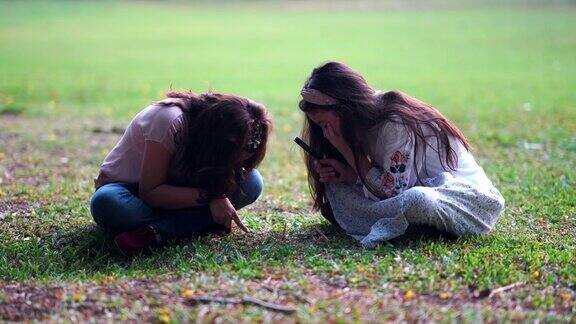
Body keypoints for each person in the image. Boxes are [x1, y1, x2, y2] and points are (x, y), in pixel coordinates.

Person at [298, 61, 505, 247]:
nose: (326, 135)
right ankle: (399, 227)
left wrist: (346, 150)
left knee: (417, 199)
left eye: (325, 125)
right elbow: (389, 182)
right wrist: (348, 174)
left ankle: (372, 223)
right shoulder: (363, 123)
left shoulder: (394, 123)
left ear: (343, 109)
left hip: (468, 202)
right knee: (335, 186)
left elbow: (394, 192)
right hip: (410, 195)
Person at [90, 91, 271, 256]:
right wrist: (212, 197)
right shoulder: (168, 119)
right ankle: (195, 222)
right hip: (131, 189)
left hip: (183, 188)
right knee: (106, 202)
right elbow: (151, 192)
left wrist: (216, 192)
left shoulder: (234, 127)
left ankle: (156, 231)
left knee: (252, 182)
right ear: (220, 143)